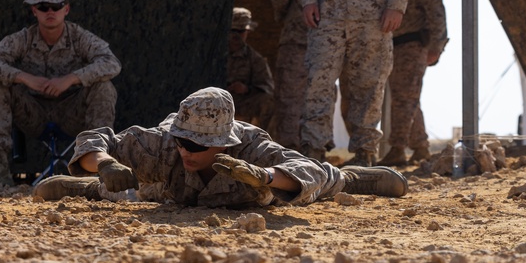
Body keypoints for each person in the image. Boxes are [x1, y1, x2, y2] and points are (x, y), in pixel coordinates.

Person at [32, 87, 406, 207]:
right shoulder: (164, 142)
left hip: (249, 188)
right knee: (142, 191)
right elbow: (97, 138)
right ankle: (91, 190)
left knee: (322, 181)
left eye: (199, 144)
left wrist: (264, 176)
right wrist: (104, 167)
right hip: (171, 191)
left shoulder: (252, 146)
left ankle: (354, 179)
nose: (187, 150)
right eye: (183, 140)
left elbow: (304, 168)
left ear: (225, 142)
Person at [0, 0, 121, 189]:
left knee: (104, 87)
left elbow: (111, 63)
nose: (50, 11)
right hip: (33, 114)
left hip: (71, 113)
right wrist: (24, 78)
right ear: (34, 11)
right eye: (43, 7)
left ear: (67, 9)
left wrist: (71, 79)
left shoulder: (79, 37)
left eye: (57, 6)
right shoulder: (23, 39)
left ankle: (95, 165)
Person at [298, 0, 415, 166]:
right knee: (318, 81)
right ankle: (313, 150)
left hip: (373, 14)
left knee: (369, 83)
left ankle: (365, 152)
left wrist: (397, 5)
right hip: (329, 13)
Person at [380, 0, 447, 166]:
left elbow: (437, 14)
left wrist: (436, 46)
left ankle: (398, 148)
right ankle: (420, 147)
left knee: (404, 97)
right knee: (408, 97)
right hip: (392, 45)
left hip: (413, 44)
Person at [269, 0, 307, 149]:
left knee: (289, 97)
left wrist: (281, 16)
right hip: (329, 39)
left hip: (297, 34)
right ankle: (315, 149)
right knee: (319, 95)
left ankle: (290, 151)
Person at [227, 7, 274, 128]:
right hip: (210, 101)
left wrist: (246, 89)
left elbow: (267, 88)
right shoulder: (212, 53)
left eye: (241, 31)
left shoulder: (254, 59)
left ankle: (257, 139)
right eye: (233, 31)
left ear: (247, 32)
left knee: (267, 101)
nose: (236, 36)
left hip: (238, 103)